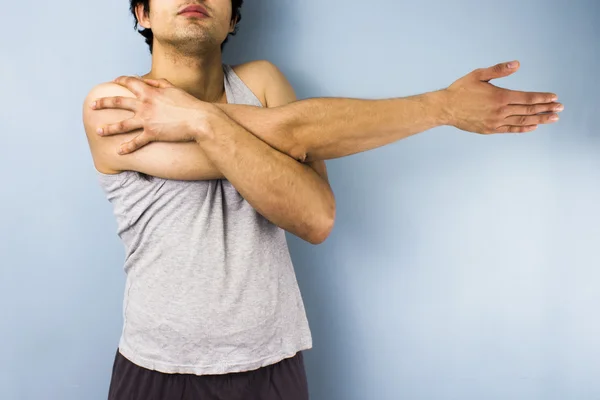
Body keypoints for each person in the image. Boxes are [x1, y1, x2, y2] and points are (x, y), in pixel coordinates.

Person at [82, 1, 563, 399]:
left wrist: (197, 119)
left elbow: (315, 217)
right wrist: (443, 107)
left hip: (272, 366)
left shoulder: (262, 82)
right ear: (142, 14)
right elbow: (294, 130)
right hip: (158, 370)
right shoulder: (118, 104)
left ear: (232, 19)